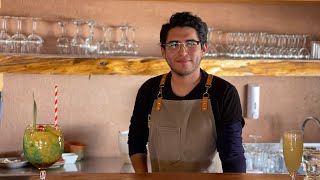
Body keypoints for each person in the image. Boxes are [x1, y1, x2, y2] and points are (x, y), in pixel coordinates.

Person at [128, 11, 246, 173]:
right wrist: (143, 177)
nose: (183, 52)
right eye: (174, 44)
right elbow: (136, 140)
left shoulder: (223, 92)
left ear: (204, 48)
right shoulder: (149, 90)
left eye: (191, 43)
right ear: (163, 51)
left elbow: (232, 154)